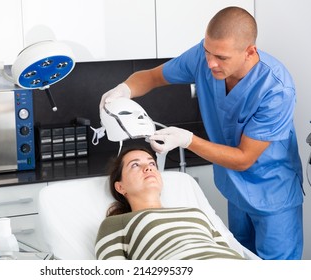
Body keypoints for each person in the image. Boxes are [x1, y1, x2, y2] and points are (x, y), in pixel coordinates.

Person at [99, 7, 303, 260]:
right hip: (235, 189)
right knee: (242, 259)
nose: (210, 63)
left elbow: (243, 158)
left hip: (273, 192)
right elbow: (152, 77)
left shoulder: (276, 89)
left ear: (250, 51)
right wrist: (122, 90)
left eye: (221, 57)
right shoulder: (203, 56)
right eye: (207, 52)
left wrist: (188, 140)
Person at [95, 147, 245, 260]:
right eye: (135, 165)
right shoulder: (116, 223)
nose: (148, 168)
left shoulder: (195, 212)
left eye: (152, 163)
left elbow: (224, 248)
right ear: (120, 187)